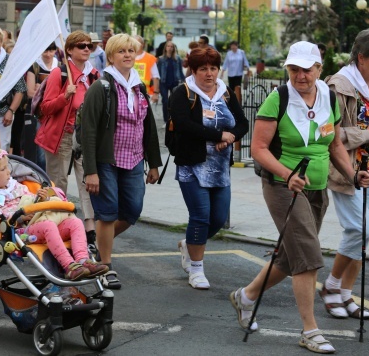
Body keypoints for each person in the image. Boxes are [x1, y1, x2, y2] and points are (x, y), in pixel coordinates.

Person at [229, 41, 369, 354]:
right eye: (294, 69)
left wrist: (352, 175)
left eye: (307, 69)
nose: (300, 75)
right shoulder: (277, 98)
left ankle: (246, 296)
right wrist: (287, 175)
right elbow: (258, 150)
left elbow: (334, 145)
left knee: (291, 258)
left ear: (319, 69)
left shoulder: (329, 98)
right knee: (307, 257)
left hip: (317, 187)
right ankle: (310, 330)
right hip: (283, 186)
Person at [320, 29, 369, 320]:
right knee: (361, 229)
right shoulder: (337, 86)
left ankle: (346, 295)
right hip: (347, 170)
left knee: (362, 236)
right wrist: (367, 133)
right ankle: (331, 286)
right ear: (360, 57)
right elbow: (328, 133)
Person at [81, 33, 162, 289]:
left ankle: (94, 247)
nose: (127, 55)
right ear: (111, 56)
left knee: (133, 210)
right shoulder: (101, 87)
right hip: (107, 160)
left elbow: (147, 126)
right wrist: (90, 171)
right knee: (107, 213)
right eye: (121, 51)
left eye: (131, 50)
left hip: (134, 159)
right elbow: (89, 130)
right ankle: (105, 266)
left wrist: (154, 163)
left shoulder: (139, 87)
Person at [171, 47, 248, 289]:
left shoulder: (225, 93)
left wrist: (230, 137)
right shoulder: (182, 92)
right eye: (203, 69)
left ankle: (188, 244)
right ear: (193, 71)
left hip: (219, 168)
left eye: (213, 68)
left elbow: (243, 123)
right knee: (201, 216)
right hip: (191, 166)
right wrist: (217, 134)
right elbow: (183, 124)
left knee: (217, 219)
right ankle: (196, 270)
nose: (209, 74)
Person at [0, 147, 109, 280]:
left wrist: (42, 198)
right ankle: (69, 266)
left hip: (42, 222)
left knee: (76, 222)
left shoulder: (17, 185)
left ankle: (83, 259)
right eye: (3, 169)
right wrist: (20, 217)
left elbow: (32, 200)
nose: (9, 172)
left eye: (8, 167)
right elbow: (3, 218)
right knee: (48, 225)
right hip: (23, 232)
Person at [35, 31, 98, 250]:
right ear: (69, 49)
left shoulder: (93, 75)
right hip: (61, 137)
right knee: (58, 183)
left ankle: (90, 233)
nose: (87, 49)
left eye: (89, 45)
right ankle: (56, 227)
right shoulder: (59, 74)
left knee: (87, 182)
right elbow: (45, 107)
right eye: (81, 46)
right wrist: (65, 96)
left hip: (84, 137)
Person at [23, 42, 58, 169]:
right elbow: (30, 92)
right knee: (39, 150)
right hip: (38, 113)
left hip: (54, 113)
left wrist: (41, 89)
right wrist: (49, 91)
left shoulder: (59, 66)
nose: (48, 54)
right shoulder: (35, 66)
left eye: (51, 51)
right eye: (45, 51)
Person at [156, 40, 184, 123]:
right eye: (168, 46)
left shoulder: (178, 58)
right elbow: (157, 72)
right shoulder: (161, 59)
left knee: (174, 101)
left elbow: (180, 70)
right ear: (165, 48)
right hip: (163, 82)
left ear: (174, 48)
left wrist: (183, 80)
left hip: (174, 81)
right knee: (165, 101)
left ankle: (173, 119)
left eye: (171, 46)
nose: (170, 48)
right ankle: (166, 120)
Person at [133, 35, 160, 100]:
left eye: (137, 43)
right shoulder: (128, 57)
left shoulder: (150, 58)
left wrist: (156, 93)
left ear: (142, 44)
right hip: (131, 92)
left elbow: (155, 77)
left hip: (145, 93)